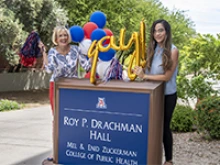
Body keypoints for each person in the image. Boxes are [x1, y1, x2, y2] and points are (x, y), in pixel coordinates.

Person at [40, 26, 91, 165]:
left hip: (73, 88)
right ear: (56, 39)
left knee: (74, 119)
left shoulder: (75, 49)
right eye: (60, 36)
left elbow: (87, 66)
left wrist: (95, 54)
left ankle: (74, 149)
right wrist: (44, 54)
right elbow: (49, 69)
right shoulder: (53, 52)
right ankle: (56, 150)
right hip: (56, 87)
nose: (63, 38)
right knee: (57, 119)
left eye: (65, 35)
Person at [134, 19, 179, 165]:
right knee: (149, 126)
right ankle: (150, 157)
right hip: (151, 94)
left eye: (160, 30)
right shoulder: (151, 49)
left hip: (167, 95)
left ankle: (169, 160)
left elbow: (166, 76)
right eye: (155, 31)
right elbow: (145, 69)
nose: (157, 34)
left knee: (164, 127)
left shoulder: (173, 50)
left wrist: (145, 76)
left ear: (167, 32)